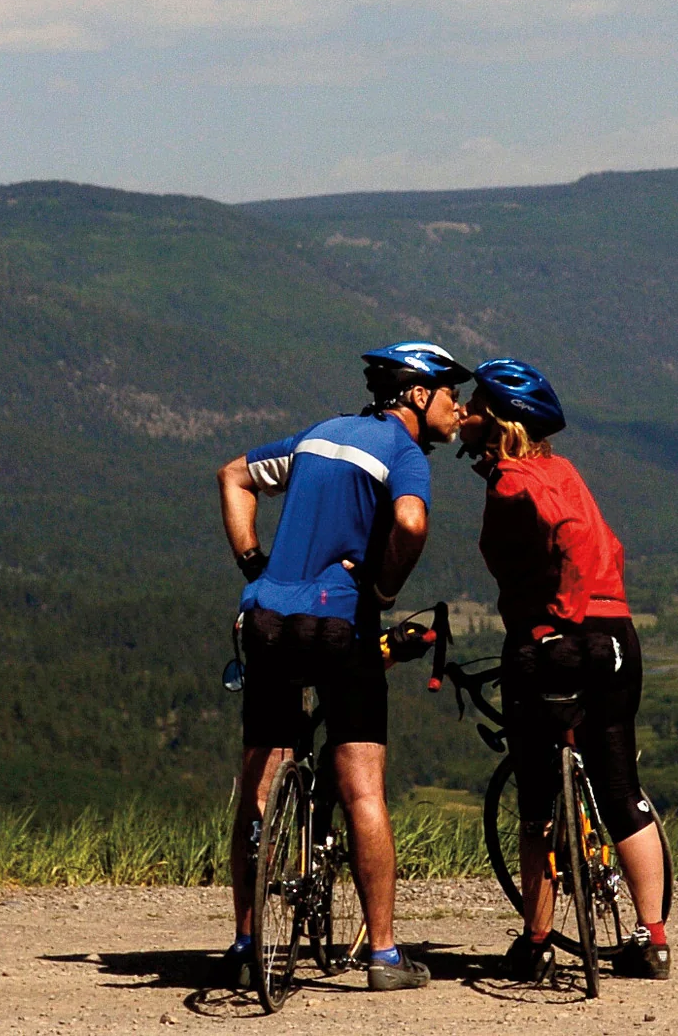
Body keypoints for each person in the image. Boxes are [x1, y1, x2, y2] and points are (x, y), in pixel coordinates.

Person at [213, 340, 470, 993]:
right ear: (416, 394)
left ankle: (247, 941)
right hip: (337, 623)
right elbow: (410, 521)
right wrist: (383, 591)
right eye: (450, 391)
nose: (459, 405)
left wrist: (255, 564)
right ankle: (383, 955)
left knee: (260, 781)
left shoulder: (320, 435)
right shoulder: (402, 451)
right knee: (362, 785)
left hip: (269, 616)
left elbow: (233, 476)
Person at [457, 358, 672, 983]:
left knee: (537, 805)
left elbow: (576, 537)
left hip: (553, 638)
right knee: (620, 787)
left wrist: (559, 619)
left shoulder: (511, 482)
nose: (464, 414)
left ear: (497, 423)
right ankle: (653, 940)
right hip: (617, 637)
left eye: (474, 407)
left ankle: (537, 939)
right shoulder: (564, 470)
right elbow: (610, 545)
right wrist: (592, 614)